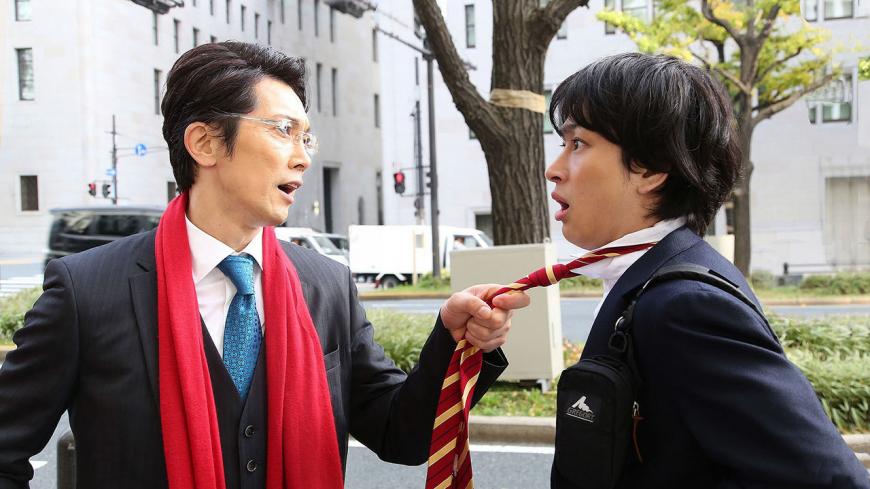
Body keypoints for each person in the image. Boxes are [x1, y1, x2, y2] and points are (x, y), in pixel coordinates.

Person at [0, 42, 528, 489]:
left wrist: (454, 341)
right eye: (282, 130)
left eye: (306, 137)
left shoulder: (324, 285)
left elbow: (402, 434)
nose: (303, 157)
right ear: (205, 142)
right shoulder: (87, 291)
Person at [546, 53, 868, 488]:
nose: (554, 170)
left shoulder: (686, 305)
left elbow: (827, 479)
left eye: (578, 144)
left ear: (650, 167)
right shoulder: (655, 274)